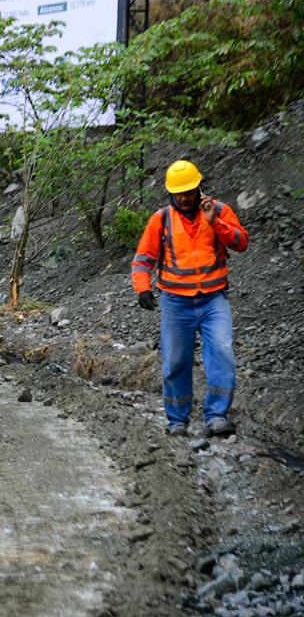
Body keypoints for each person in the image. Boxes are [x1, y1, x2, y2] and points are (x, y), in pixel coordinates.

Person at [132, 159, 249, 437]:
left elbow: (241, 243)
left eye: (188, 192)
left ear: (199, 187)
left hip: (213, 299)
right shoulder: (161, 219)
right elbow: (142, 259)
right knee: (175, 361)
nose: (184, 198)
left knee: (222, 352)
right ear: (170, 192)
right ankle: (177, 420)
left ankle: (217, 417)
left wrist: (215, 222)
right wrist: (142, 288)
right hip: (175, 302)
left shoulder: (219, 210)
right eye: (178, 194)